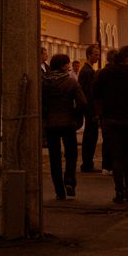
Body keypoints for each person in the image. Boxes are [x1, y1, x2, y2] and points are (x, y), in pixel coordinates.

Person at [94, 46, 128, 203]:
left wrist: (100, 113)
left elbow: (95, 94)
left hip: (109, 119)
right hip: (127, 119)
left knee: (116, 156)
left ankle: (119, 191)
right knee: (127, 154)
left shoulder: (104, 73)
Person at [42, 53, 86, 200]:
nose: (69, 66)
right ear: (62, 66)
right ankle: (69, 181)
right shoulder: (71, 82)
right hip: (68, 123)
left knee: (54, 157)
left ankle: (59, 190)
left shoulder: (44, 82)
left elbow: (40, 104)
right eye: (67, 64)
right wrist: (76, 118)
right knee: (71, 154)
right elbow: (82, 103)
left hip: (50, 124)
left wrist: (44, 118)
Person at [77, 44, 100, 172]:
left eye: (98, 54)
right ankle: (87, 164)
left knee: (91, 135)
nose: (97, 57)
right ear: (89, 55)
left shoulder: (87, 70)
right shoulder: (87, 72)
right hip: (90, 109)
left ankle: (87, 163)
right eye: (95, 54)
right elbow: (89, 94)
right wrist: (94, 111)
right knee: (90, 136)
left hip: (89, 108)